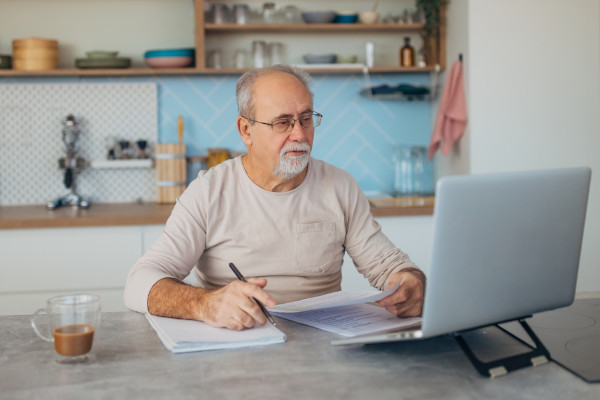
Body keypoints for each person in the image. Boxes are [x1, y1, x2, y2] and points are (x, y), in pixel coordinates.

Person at [125, 64, 426, 331]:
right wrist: (205, 304)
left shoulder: (340, 186)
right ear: (246, 130)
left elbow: (390, 267)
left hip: (322, 351)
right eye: (282, 122)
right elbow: (139, 282)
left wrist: (410, 283)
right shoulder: (208, 192)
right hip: (234, 349)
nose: (299, 134)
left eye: (306, 119)